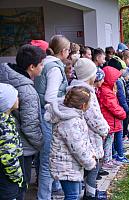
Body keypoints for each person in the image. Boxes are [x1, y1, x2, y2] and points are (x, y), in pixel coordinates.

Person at [0, 44, 46, 199]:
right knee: (19, 188)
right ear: (32, 67)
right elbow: (30, 126)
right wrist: (41, 144)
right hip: (22, 149)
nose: (43, 67)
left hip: (4, 146)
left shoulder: (4, 74)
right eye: (41, 64)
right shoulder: (27, 91)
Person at [34, 34, 70, 200]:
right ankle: (44, 197)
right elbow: (50, 97)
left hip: (41, 113)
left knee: (44, 157)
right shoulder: (55, 68)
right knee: (47, 159)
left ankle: (53, 188)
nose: (69, 53)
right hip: (47, 115)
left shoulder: (45, 63)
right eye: (68, 50)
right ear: (63, 51)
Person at [44, 86, 96, 200]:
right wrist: (89, 162)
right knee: (72, 196)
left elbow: (83, 140)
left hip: (72, 165)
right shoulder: (70, 122)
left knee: (76, 193)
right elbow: (76, 147)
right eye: (90, 102)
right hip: (66, 166)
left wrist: (90, 152)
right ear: (83, 105)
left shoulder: (75, 116)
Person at [71, 58, 110, 198]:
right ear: (89, 75)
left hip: (86, 135)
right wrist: (105, 129)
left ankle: (91, 191)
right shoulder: (86, 93)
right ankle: (90, 195)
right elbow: (93, 117)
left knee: (90, 167)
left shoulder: (77, 89)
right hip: (90, 136)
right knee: (93, 167)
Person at [96, 66, 127, 169]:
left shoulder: (107, 90)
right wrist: (122, 113)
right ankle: (106, 160)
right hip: (109, 121)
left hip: (111, 121)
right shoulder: (106, 92)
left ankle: (109, 158)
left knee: (109, 141)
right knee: (108, 142)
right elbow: (112, 106)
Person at [0, 83, 25, 200]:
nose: (18, 99)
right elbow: (8, 157)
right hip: (8, 180)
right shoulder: (4, 127)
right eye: (16, 96)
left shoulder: (8, 120)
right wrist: (17, 177)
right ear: (8, 102)